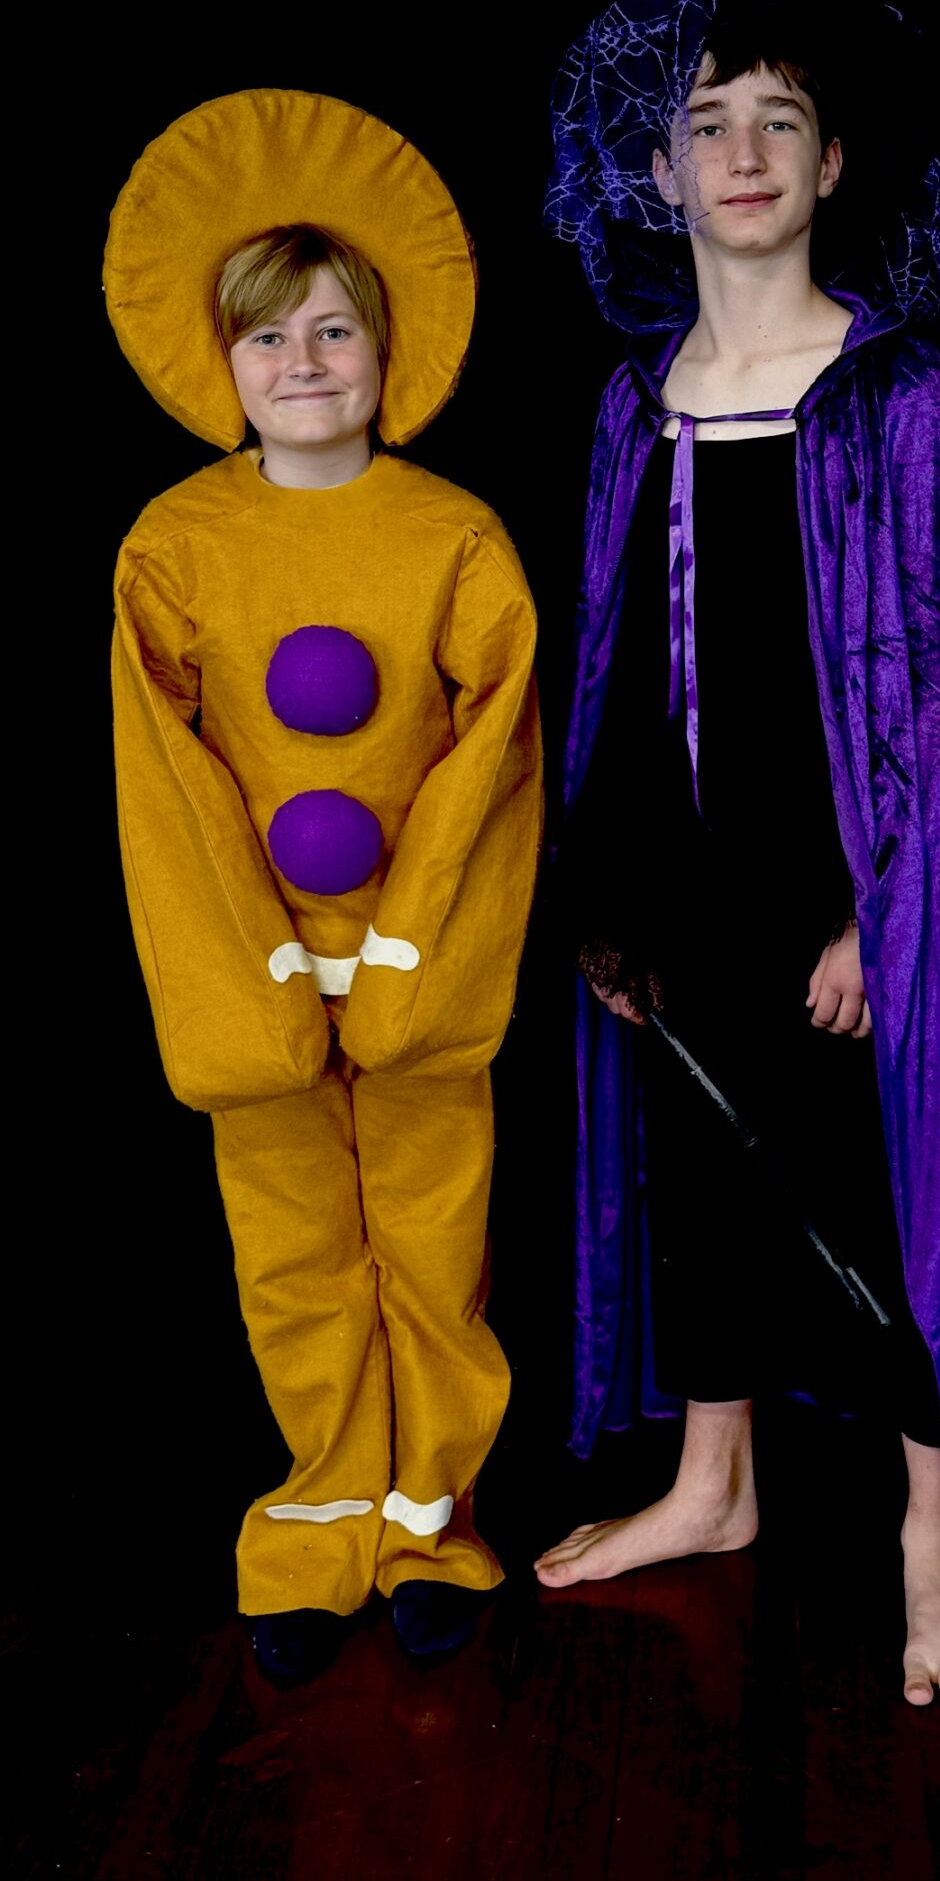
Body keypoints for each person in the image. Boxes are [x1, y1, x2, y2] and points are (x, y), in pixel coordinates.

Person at [536, 0, 940, 1711]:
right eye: (706, 124)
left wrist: (878, 918)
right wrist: (608, 893)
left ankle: (930, 1527)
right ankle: (714, 1481)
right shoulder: (635, 399)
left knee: (885, 1190)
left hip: (850, 891)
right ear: (658, 171)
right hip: (684, 876)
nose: (741, 153)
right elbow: (613, 662)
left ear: (831, 166)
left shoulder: (892, 390)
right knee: (701, 1175)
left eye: (779, 121)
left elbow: (939, 696)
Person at [107, 90, 543, 1680]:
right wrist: (263, 980)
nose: (304, 362)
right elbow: (171, 788)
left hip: (418, 973)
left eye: (336, 330)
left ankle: (432, 1521)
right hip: (259, 979)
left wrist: (410, 957)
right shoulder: (175, 544)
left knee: (433, 1248)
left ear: (387, 349)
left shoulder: (453, 536)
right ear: (221, 363)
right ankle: (317, 1519)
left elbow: (490, 761)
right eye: (269, 336)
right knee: (293, 1259)